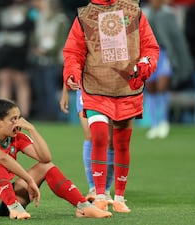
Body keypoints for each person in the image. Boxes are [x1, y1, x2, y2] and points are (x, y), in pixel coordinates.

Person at [63, 0, 159, 213]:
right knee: (98, 137)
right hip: (96, 87)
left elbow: (150, 47)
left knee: (122, 143)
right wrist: (71, 72)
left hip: (126, 87)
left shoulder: (134, 12)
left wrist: (146, 63)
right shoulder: (84, 15)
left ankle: (120, 197)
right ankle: (99, 194)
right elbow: (73, 51)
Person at [0, 95, 112, 219]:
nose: (18, 122)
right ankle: (15, 208)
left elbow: (45, 158)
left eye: (19, 117)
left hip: (2, 200)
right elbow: (3, 159)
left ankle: (84, 206)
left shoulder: (17, 137)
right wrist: (28, 179)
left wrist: (32, 129)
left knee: (46, 167)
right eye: (13, 119)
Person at [142, 0, 194, 139]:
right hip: (148, 55)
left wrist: (180, 59)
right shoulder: (144, 13)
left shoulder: (169, 14)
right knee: (151, 88)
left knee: (162, 86)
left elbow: (177, 38)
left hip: (164, 54)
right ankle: (154, 124)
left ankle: (164, 121)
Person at [59, 84, 114, 204]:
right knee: (91, 136)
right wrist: (65, 91)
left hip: (110, 87)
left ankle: (106, 190)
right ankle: (93, 188)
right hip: (85, 86)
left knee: (110, 140)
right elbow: (69, 65)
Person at [0, 0, 34, 118]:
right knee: (3, 78)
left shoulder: (28, 9)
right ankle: (3, 113)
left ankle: (24, 115)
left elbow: (29, 26)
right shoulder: (0, 8)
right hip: (4, 48)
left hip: (20, 48)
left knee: (20, 80)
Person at [29, 0, 70, 120]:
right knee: (39, 88)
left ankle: (52, 115)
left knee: (49, 88)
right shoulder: (39, 18)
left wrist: (47, 51)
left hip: (54, 61)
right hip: (38, 60)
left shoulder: (61, 19)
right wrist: (35, 48)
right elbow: (33, 36)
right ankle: (43, 114)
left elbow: (61, 40)